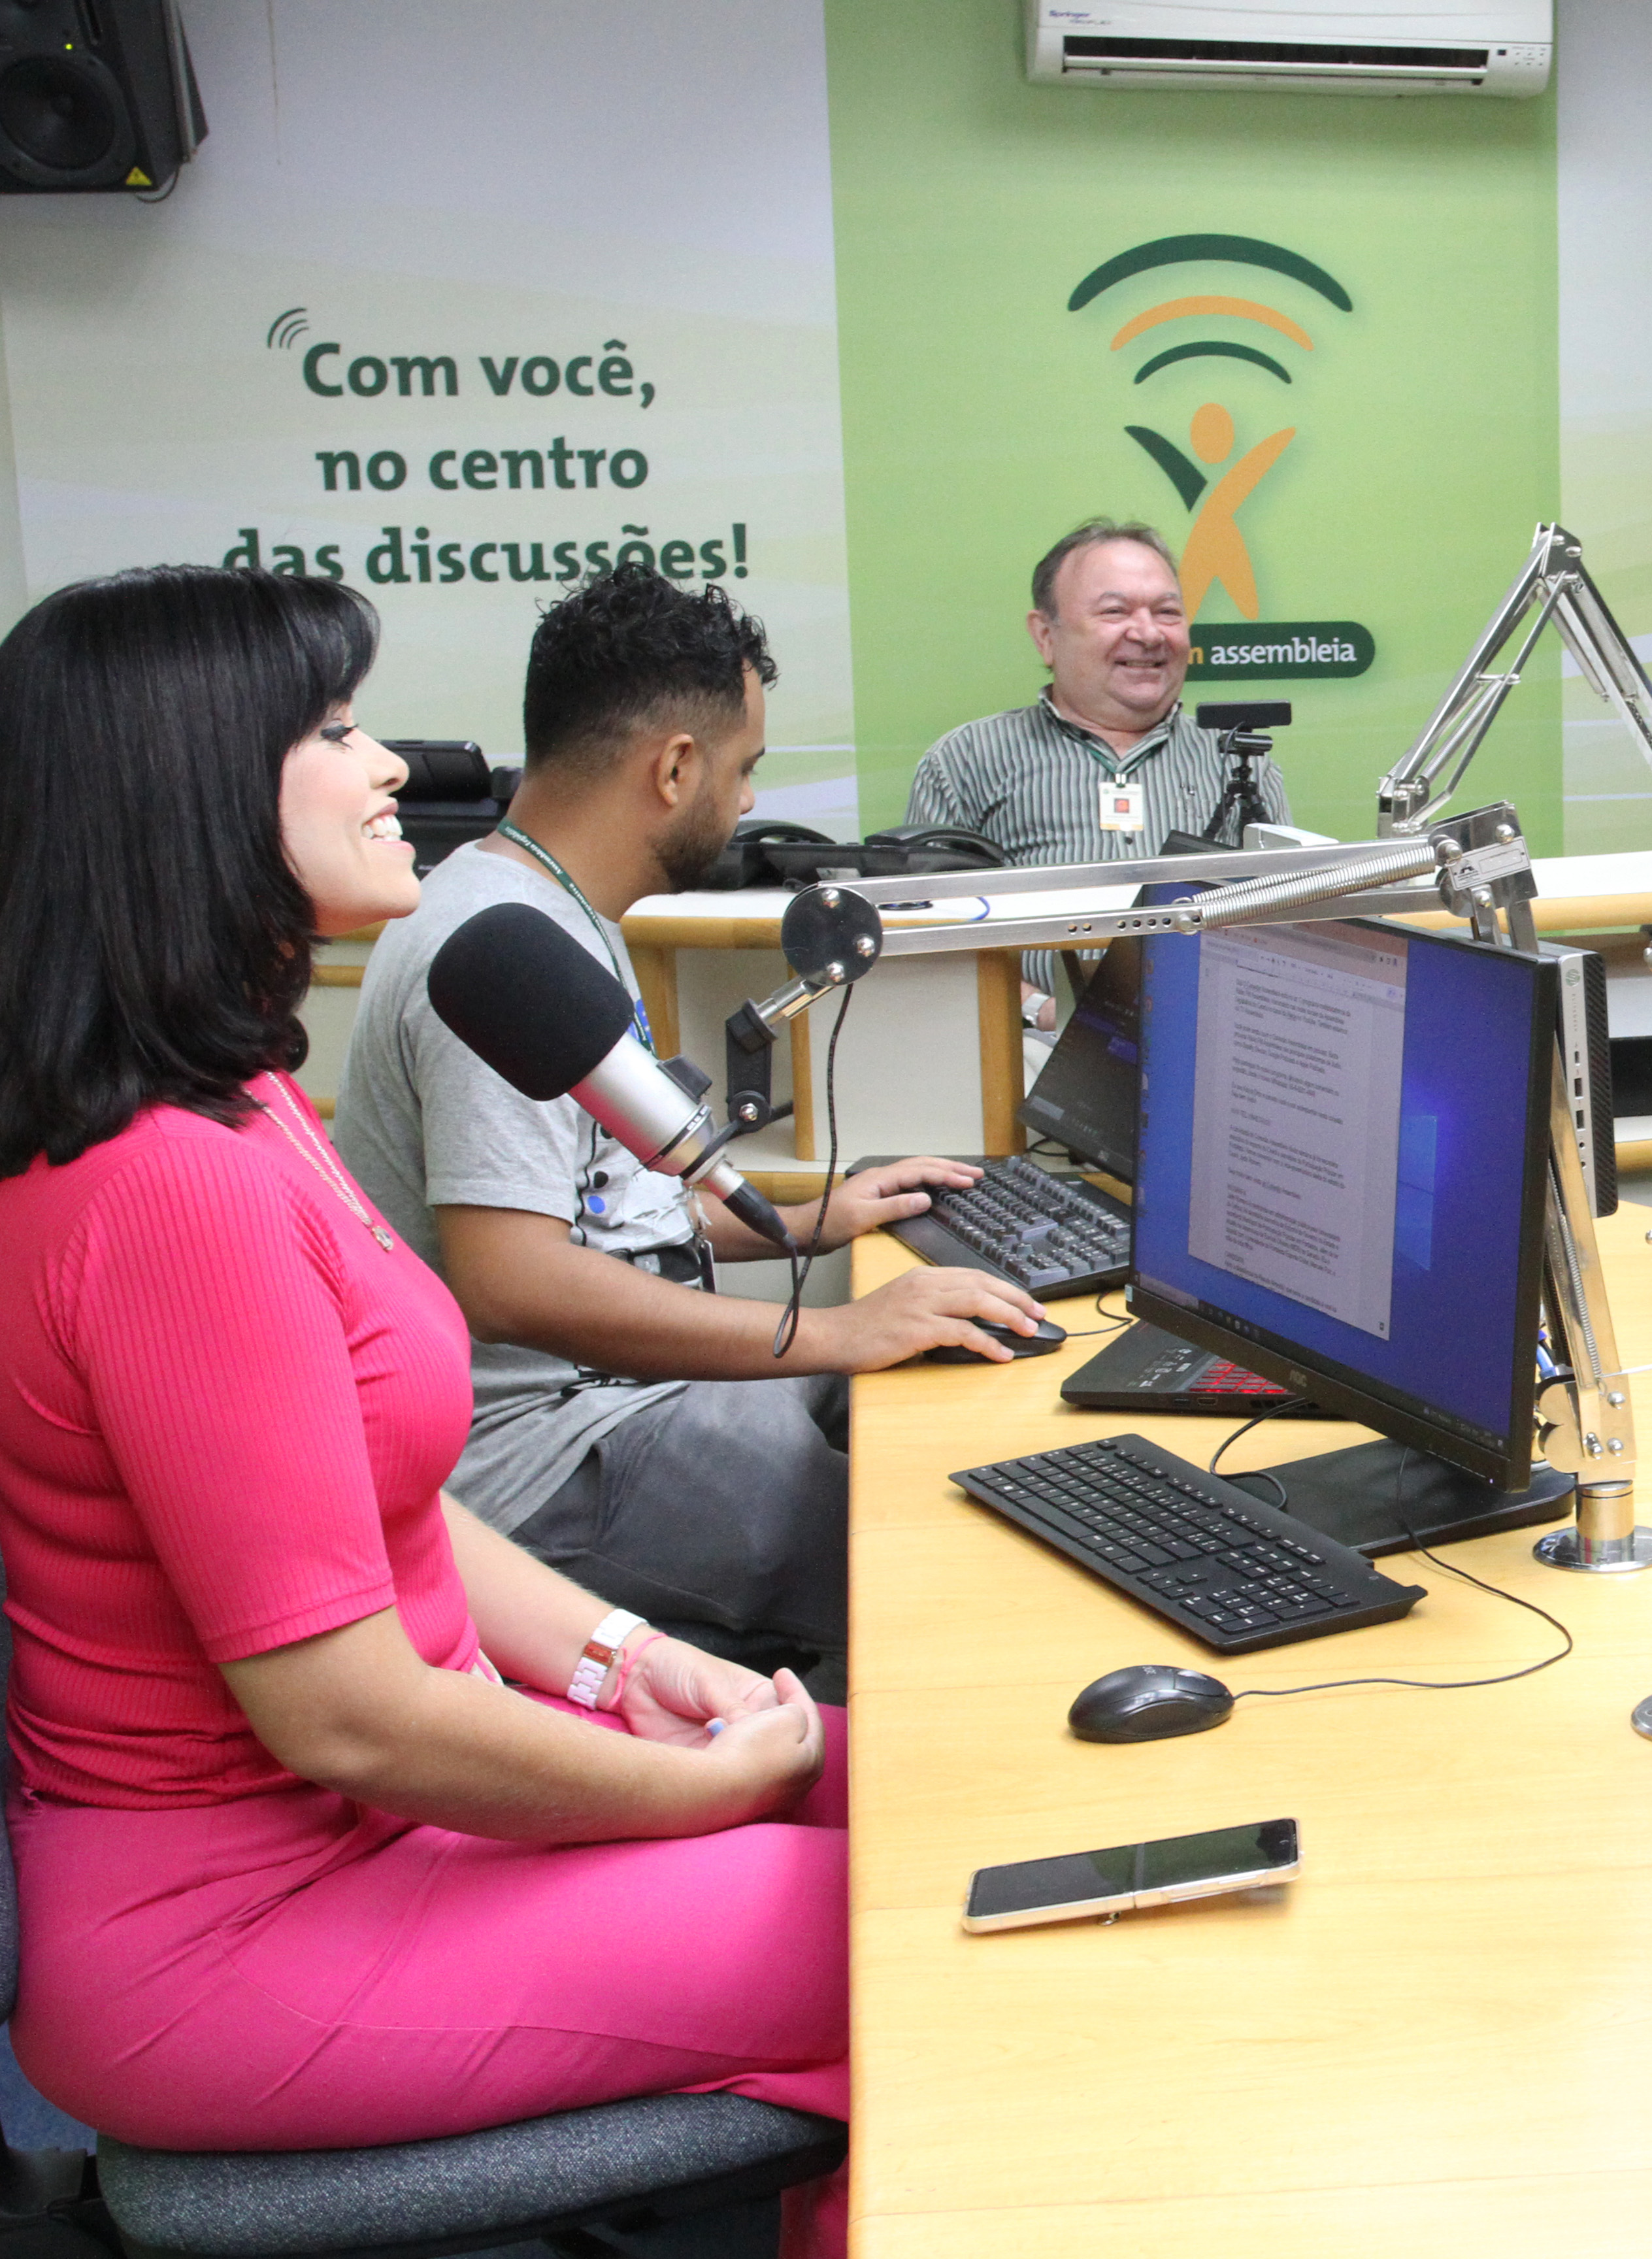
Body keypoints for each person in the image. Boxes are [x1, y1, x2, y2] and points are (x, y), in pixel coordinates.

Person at [0, 567, 848, 2255]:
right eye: (334, 731)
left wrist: (622, 1660)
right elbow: (349, 1719)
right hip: (238, 1938)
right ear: (190, 792)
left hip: (372, 1835)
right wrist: (690, 1793)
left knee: (934, 1797)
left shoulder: (244, 1101)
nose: (390, 763)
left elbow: (383, 1506)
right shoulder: (169, 1193)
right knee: (926, 1922)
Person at [339, 565, 1048, 1681]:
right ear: (674, 769)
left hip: (616, 1400)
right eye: (744, 768)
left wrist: (811, 1222)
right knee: (947, 1566)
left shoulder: (555, 908)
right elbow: (512, 1278)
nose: (749, 803)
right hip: (550, 1454)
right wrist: (835, 1331)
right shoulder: (493, 954)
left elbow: (600, 1211)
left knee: (938, 1407)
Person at [903, 516, 1289, 869]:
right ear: (1045, 636)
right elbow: (927, 912)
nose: (1149, 634)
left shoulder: (1239, 762)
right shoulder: (966, 761)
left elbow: (1285, 909)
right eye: (1115, 611)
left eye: (1167, 612)